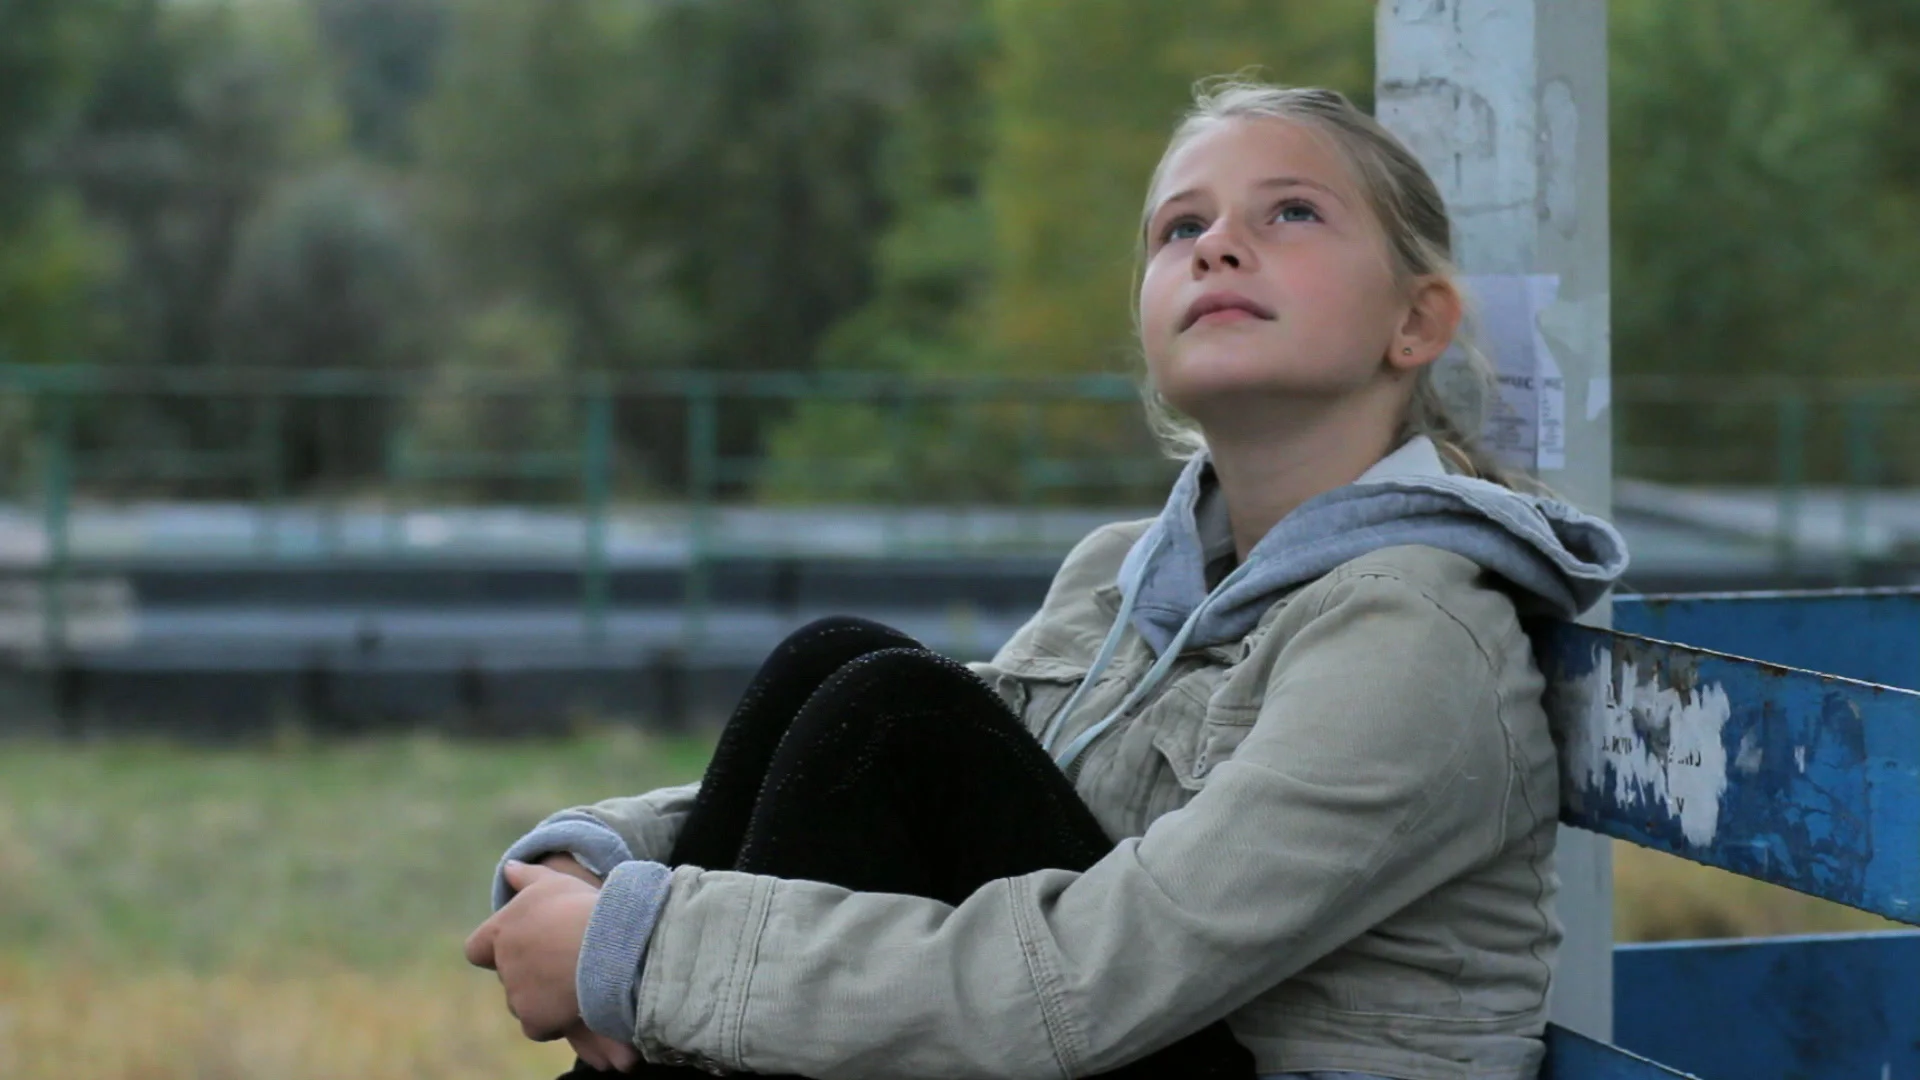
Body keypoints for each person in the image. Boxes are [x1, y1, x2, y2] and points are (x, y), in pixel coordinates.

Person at [464, 80, 1628, 1080]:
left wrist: (645, 951)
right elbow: (877, 785)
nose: (1219, 244)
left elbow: (1085, 982)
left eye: (1292, 212)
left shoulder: (1412, 635)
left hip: (1160, 1034)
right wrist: (608, 863)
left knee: (890, 708)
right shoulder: (1123, 576)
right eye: (1181, 228)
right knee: (840, 668)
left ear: (1416, 321)